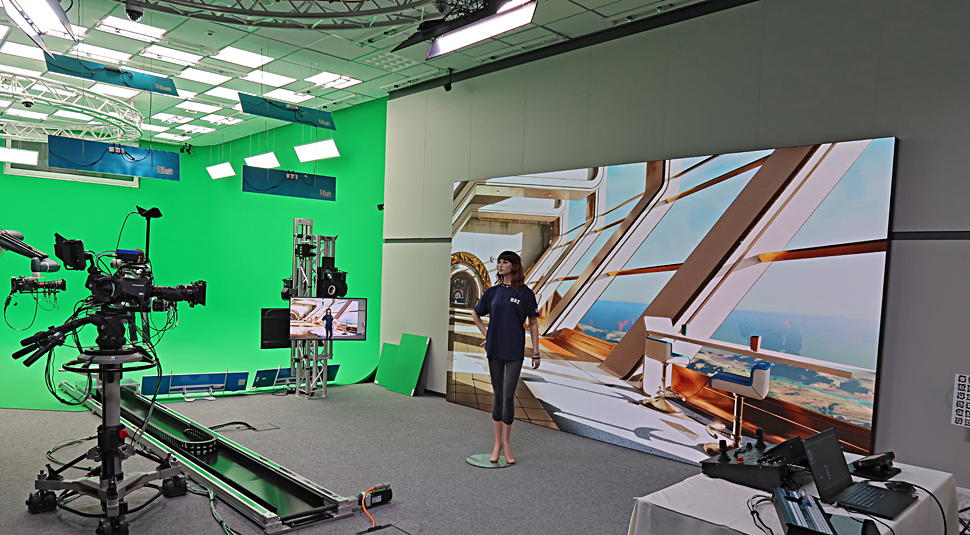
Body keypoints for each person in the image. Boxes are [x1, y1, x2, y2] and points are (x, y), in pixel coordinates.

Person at [471, 251, 540, 465]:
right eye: (499, 262)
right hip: (495, 349)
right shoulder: (492, 292)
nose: (500, 265)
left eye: (505, 262)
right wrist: (487, 334)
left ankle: (506, 443)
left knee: (509, 396)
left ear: (514, 266)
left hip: (514, 350)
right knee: (498, 395)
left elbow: (534, 323)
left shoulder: (526, 294)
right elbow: (476, 313)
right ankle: (496, 444)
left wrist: (536, 352)